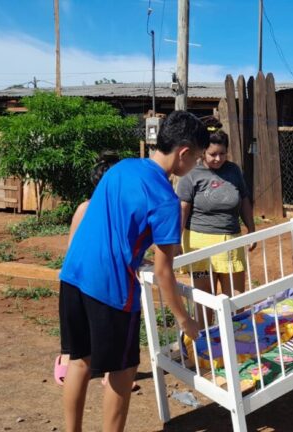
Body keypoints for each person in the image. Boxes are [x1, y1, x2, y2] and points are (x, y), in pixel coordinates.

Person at [58, 111, 209, 432]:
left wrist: (133, 254)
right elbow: (165, 273)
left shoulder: (123, 167)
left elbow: (108, 222)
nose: (195, 165)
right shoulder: (166, 200)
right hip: (110, 289)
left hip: (73, 273)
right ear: (183, 153)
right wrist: (186, 321)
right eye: (196, 158)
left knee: (79, 360)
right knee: (123, 370)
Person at [54, 150, 120, 386]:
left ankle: (111, 373)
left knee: (106, 329)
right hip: (79, 277)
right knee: (76, 330)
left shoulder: (121, 214)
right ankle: (65, 356)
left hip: (107, 279)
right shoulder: (85, 208)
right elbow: (73, 245)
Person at [176, 130, 256, 311]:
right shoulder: (191, 174)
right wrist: (176, 240)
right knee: (205, 299)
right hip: (200, 244)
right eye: (213, 154)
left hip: (231, 241)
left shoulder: (234, 170)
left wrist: (251, 230)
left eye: (222, 153)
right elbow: (183, 209)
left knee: (235, 299)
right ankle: (205, 337)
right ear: (203, 152)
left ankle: (235, 336)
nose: (218, 159)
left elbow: (244, 200)